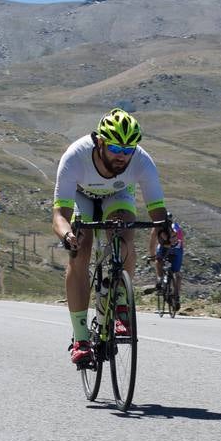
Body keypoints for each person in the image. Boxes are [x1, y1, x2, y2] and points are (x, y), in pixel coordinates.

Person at [53, 107, 168, 366]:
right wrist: (67, 234)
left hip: (117, 195)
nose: (122, 157)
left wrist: (164, 232)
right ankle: (81, 339)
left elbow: (157, 210)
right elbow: (59, 215)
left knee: (125, 237)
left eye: (128, 151)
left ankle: (117, 304)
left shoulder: (141, 160)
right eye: (116, 149)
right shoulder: (75, 156)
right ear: (101, 142)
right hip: (82, 197)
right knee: (80, 250)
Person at [150, 220, 185, 312]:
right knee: (176, 273)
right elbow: (153, 241)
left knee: (159, 260)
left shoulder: (159, 227)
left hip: (172, 247)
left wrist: (152, 255)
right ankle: (175, 295)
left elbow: (152, 241)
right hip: (172, 247)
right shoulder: (174, 226)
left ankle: (162, 281)